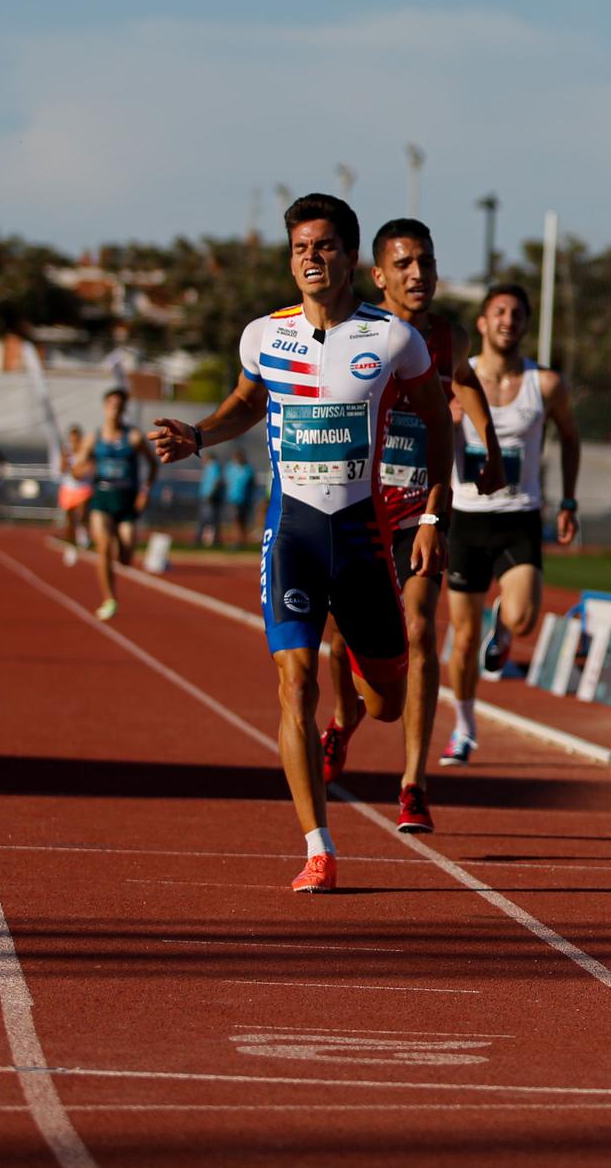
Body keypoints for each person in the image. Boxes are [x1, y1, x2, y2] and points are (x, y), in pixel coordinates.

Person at [147, 194, 456, 893]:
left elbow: (438, 424)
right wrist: (198, 434)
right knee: (294, 684)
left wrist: (434, 512)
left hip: (362, 539)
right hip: (292, 533)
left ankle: (359, 679)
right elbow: (247, 402)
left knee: (387, 702)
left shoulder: (392, 340)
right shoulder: (265, 335)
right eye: (299, 249)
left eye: (321, 248)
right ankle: (318, 846)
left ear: (350, 258)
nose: (310, 260)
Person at [321, 218, 504, 836]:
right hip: (355, 506)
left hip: (420, 508)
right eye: (403, 265)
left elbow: (466, 385)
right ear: (379, 275)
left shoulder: (446, 338)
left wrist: (490, 445)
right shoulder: (358, 331)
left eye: (425, 262)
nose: (418, 274)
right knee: (342, 643)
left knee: (422, 628)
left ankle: (413, 785)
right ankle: (341, 724)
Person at [439, 282, 580, 766]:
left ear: (525, 324)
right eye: (498, 312)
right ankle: (464, 726)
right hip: (466, 519)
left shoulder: (545, 385)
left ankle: (500, 626)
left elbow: (571, 439)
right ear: (482, 323)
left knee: (522, 619)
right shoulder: (460, 378)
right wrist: (447, 417)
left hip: (519, 516)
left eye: (517, 314)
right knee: (460, 641)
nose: (507, 320)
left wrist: (568, 500)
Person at [85, 389, 157, 620]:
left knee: (125, 558)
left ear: (124, 409)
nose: (114, 409)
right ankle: (109, 598)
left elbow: (152, 464)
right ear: (105, 407)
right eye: (111, 404)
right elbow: (77, 466)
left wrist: (145, 491)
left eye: (119, 405)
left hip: (126, 503)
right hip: (102, 500)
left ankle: (117, 539)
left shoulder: (133, 437)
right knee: (104, 546)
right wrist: (79, 468)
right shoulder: (94, 437)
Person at [55, 425, 92, 562]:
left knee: (82, 513)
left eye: (76, 438)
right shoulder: (66, 451)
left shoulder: (86, 451)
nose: (74, 441)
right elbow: (62, 469)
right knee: (70, 520)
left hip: (83, 488)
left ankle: (83, 532)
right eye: (72, 439)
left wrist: (79, 472)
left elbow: (88, 468)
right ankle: (71, 545)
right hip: (68, 489)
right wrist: (67, 464)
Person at [224, 447, 256, 547]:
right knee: (236, 520)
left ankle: (241, 540)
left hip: (244, 499)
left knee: (242, 520)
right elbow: (226, 480)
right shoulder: (230, 468)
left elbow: (252, 483)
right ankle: (238, 540)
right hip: (233, 498)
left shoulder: (247, 469)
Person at [196, 452, 226, 547]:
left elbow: (215, 481)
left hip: (210, 497)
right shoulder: (210, 467)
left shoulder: (214, 467)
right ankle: (206, 538)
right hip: (207, 495)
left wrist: (211, 494)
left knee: (209, 519)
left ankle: (210, 538)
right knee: (207, 518)